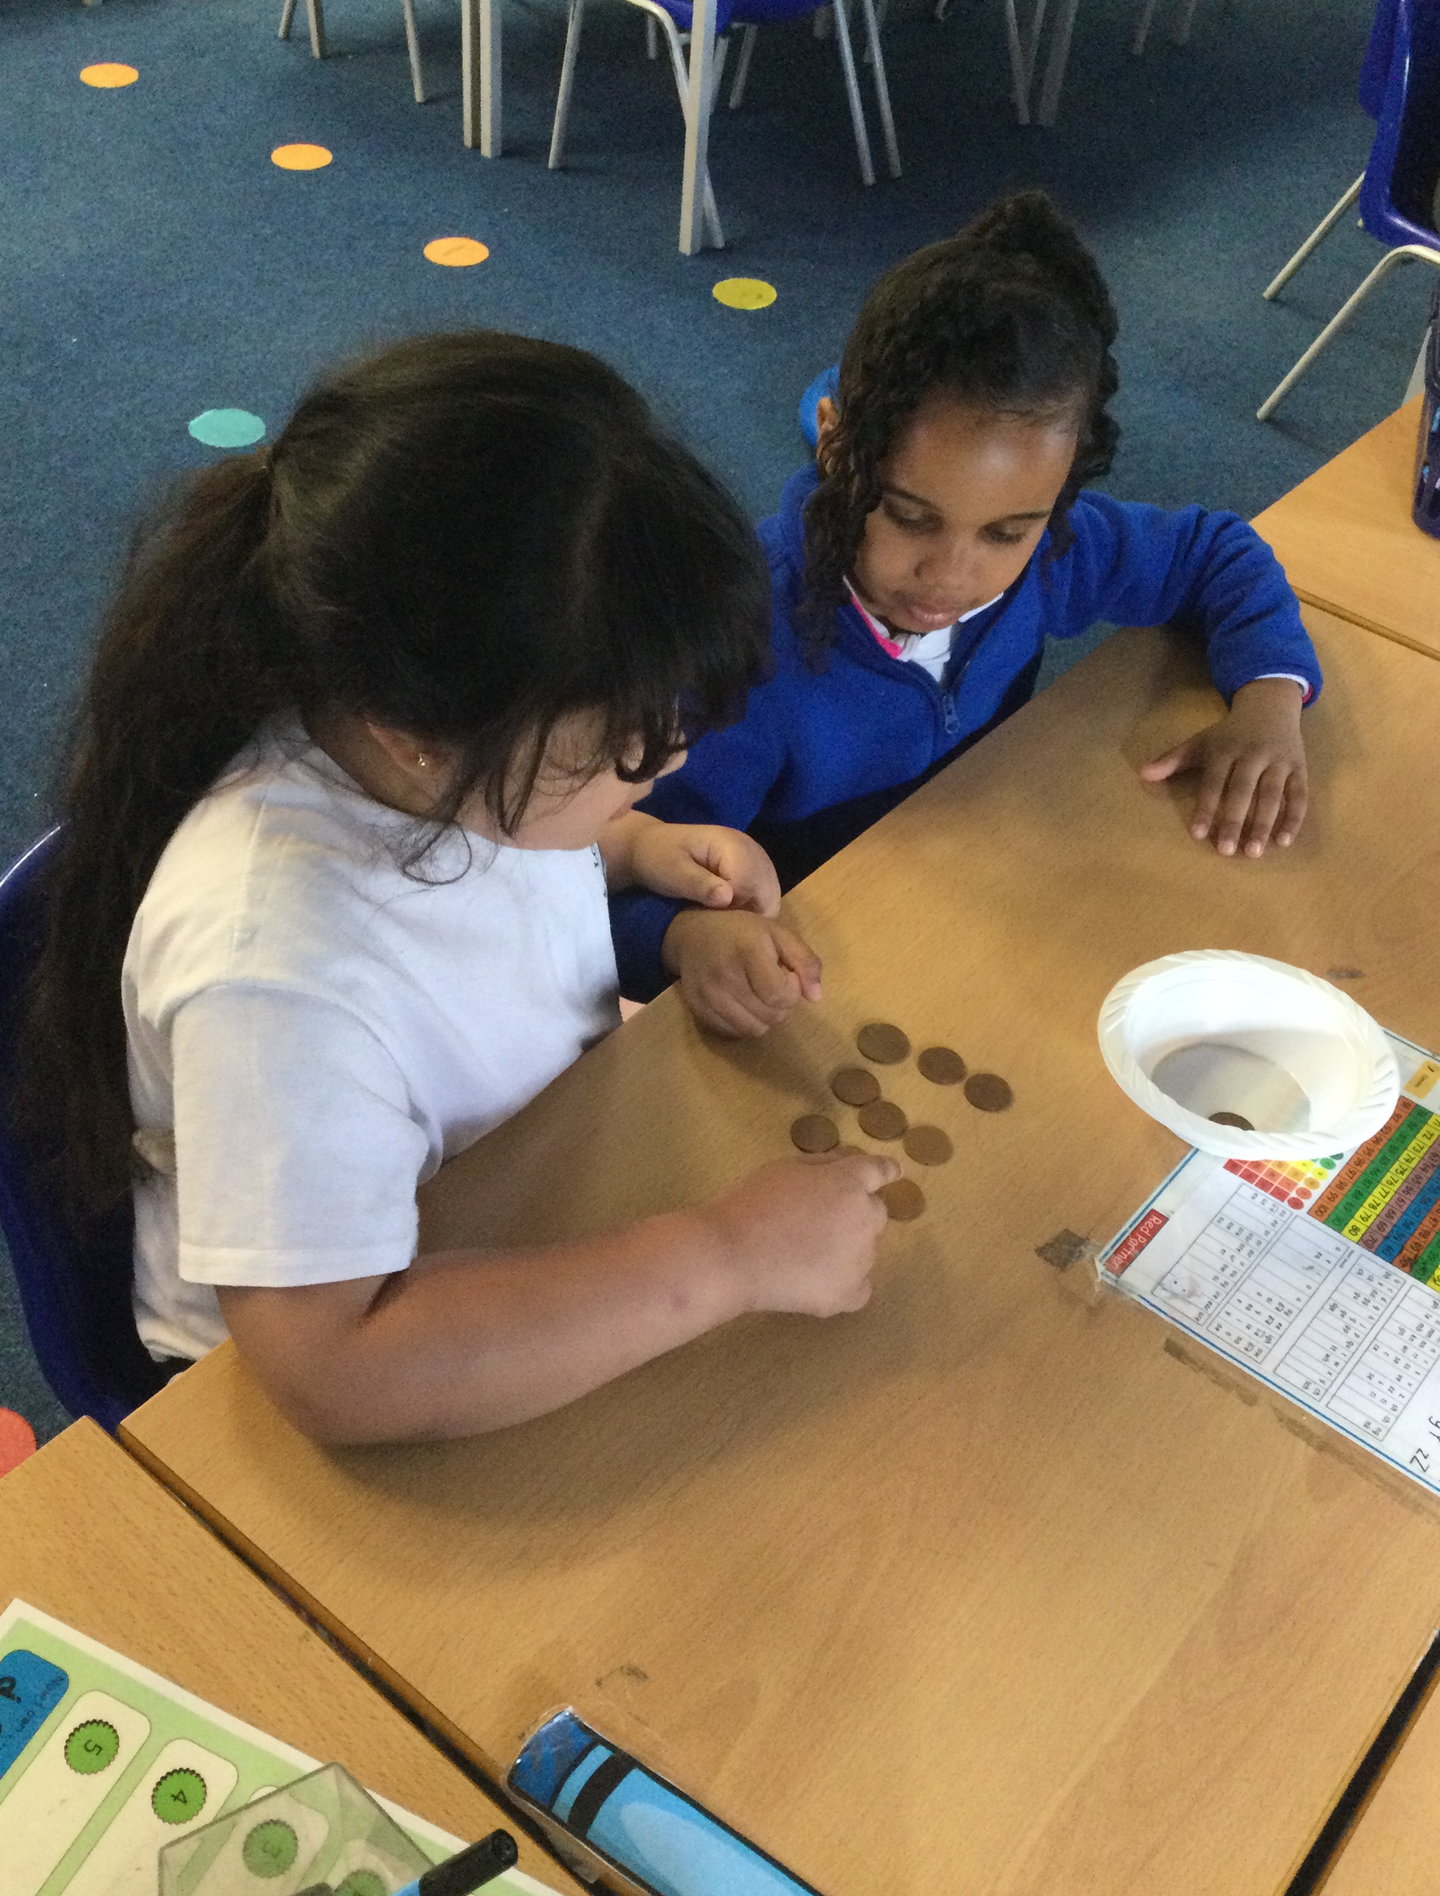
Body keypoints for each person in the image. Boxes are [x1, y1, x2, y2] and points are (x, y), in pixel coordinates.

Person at [16, 333, 899, 1445]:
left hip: (516, 1181)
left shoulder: (435, 748)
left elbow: (497, 851)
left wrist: (623, 849)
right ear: (424, 738)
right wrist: (725, 1261)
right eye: (628, 747)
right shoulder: (277, 975)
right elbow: (337, 1367)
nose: (673, 763)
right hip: (340, 1371)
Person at [609, 191, 1323, 1037]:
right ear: (835, 444)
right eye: (911, 516)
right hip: (833, 982)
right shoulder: (736, 650)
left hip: (985, 906)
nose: (951, 575)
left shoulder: (1053, 553)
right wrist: (687, 938)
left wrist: (1270, 699)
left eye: (1006, 532)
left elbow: (1216, 552)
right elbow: (595, 872)